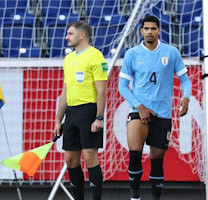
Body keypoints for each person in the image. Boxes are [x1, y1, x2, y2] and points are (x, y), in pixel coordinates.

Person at [118, 15, 191, 200]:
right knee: (135, 154)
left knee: (157, 159)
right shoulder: (132, 54)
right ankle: (135, 196)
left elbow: (185, 80)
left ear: (159, 30)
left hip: (163, 113)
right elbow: (122, 86)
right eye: (146, 29)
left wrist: (186, 98)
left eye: (153, 28)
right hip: (139, 112)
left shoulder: (171, 52)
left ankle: (155, 198)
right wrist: (139, 106)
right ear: (141, 31)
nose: (149, 32)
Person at [54, 21, 107, 200]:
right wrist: (58, 120)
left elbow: (101, 90)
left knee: (90, 157)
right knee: (70, 160)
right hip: (71, 113)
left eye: (70, 33)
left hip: (89, 111)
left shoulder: (96, 56)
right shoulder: (68, 59)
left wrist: (99, 117)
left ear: (82, 35)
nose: (66, 37)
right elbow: (65, 91)